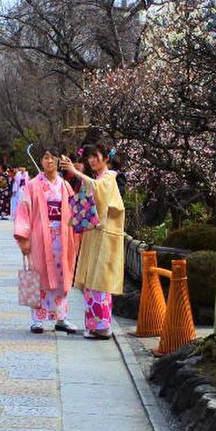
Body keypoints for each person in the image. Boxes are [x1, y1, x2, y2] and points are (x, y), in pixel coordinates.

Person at [60, 143, 125, 339]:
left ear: (106, 157)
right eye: (89, 157)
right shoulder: (98, 178)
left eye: (96, 156)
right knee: (92, 281)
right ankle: (96, 326)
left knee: (100, 281)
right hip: (95, 233)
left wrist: (75, 172)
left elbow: (99, 190)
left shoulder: (109, 178)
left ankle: (103, 327)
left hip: (105, 235)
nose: (92, 160)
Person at [13, 146, 80, 334]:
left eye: (52, 158)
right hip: (40, 238)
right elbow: (23, 212)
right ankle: (37, 319)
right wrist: (23, 238)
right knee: (39, 276)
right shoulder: (33, 185)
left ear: (58, 160)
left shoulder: (65, 186)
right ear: (41, 161)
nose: (49, 161)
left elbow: (74, 211)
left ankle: (61, 318)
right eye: (45, 158)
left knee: (62, 277)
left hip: (63, 238)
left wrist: (78, 233)